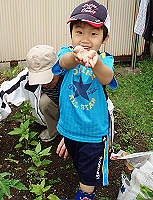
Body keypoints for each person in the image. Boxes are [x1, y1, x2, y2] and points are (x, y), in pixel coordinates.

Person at [53, 1, 117, 199]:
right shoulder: (67, 52)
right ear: (71, 34)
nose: (85, 40)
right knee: (80, 164)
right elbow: (63, 63)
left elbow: (107, 77)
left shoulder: (105, 59)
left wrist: (95, 63)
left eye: (94, 33)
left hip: (94, 134)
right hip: (70, 128)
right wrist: (77, 55)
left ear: (104, 37)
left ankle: (85, 194)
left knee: (88, 176)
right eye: (79, 32)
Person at [0, 45, 62, 142]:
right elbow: (4, 92)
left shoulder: (71, 73)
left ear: (58, 66)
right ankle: (54, 130)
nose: (44, 83)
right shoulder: (26, 77)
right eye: (39, 78)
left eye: (48, 78)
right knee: (45, 102)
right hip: (52, 110)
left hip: (72, 111)